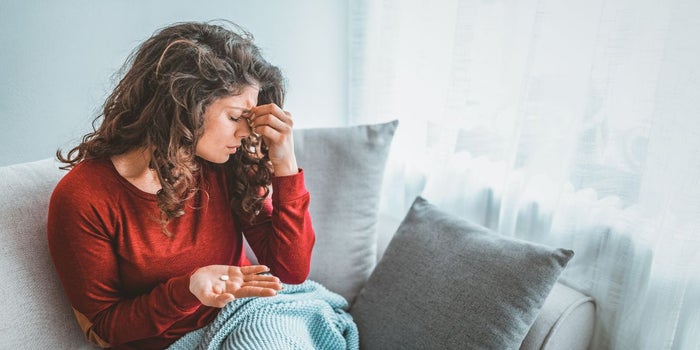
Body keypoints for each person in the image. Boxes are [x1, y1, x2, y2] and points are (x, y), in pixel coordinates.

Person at [47, 21, 315, 349]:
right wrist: (187, 290)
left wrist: (285, 164)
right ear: (183, 107)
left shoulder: (227, 165)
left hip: (253, 313)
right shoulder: (84, 198)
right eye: (234, 118)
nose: (246, 133)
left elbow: (292, 270)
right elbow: (107, 326)